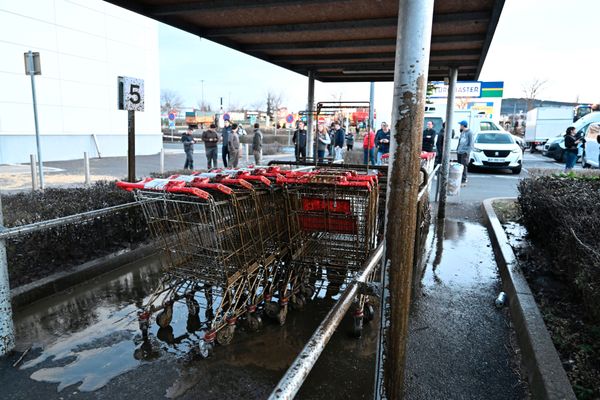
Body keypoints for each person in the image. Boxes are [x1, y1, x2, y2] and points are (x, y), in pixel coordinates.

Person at [456, 120, 473, 185]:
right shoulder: (462, 132)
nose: (460, 126)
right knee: (459, 165)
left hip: (464, 152)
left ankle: (464, 178)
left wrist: (467, 151)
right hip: (460, 151)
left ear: (463, 125)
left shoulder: (470, 132)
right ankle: (459, 178)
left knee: (464, 165)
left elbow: (470, 143)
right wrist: (457, 149)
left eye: (460, 125)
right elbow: (460, 141)